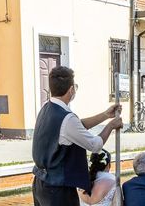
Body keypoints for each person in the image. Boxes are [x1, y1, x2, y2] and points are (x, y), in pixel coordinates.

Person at [32, 66, 123, 206]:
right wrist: (111, 126)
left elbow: (77, 126)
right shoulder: (66, 118)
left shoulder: (46, 107)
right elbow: (95, 145)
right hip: (58, 189)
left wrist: (105, 115)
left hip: (40, 184)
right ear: (71, 90)